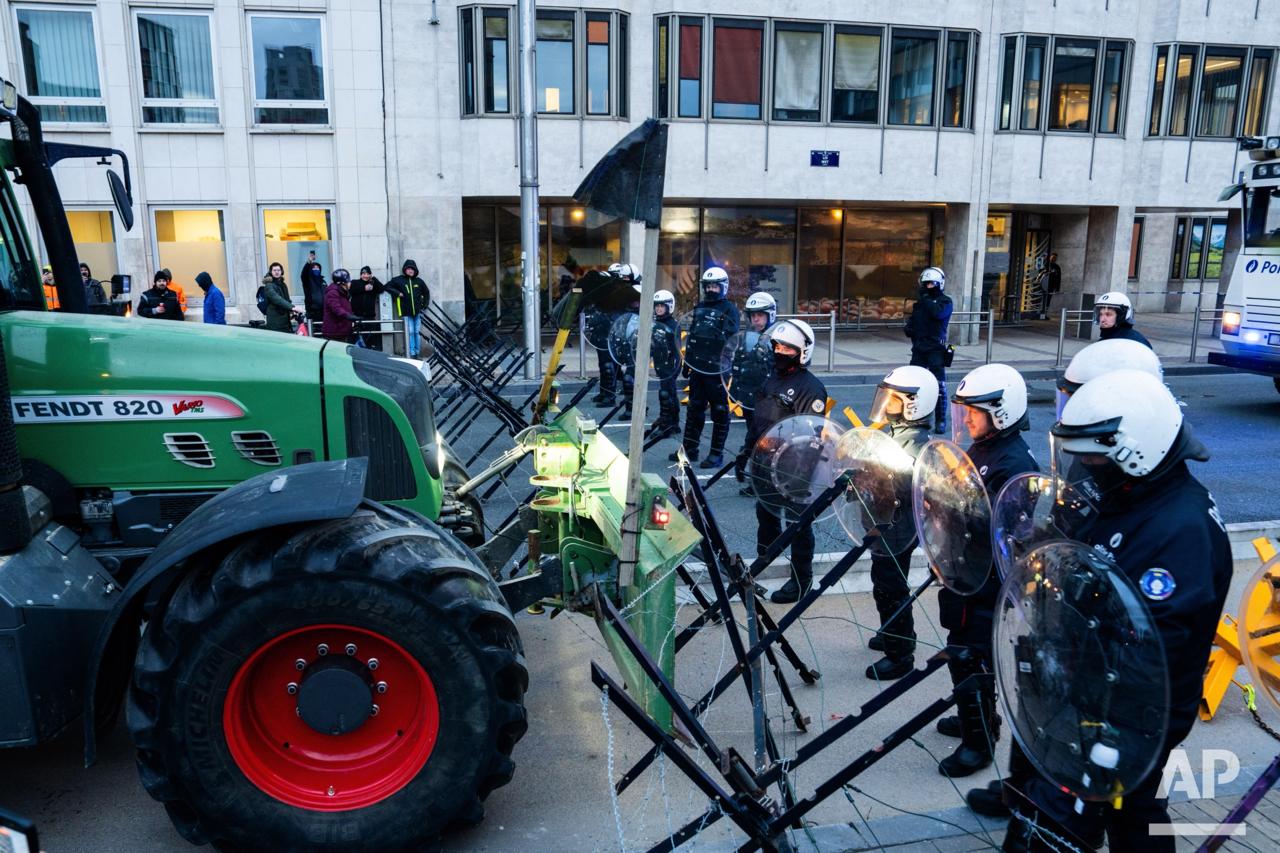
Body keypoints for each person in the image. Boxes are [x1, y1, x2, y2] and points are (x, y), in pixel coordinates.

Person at [1003, 370, 1231, 853]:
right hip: (1084, 689)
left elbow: (1151, 646)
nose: (1082, 466)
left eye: (1091, 456)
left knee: (1090, 816)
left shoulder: (1180, 529)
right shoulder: (1129, 494)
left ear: (1134, 450)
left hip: (1124, 712)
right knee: (1137, 811)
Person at [965, 336, 1165, 819]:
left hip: (1105, 653)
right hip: (1060, 612)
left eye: (1081, 397)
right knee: (1037, 702)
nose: (1072, 411)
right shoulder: (1094, 458)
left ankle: (1057, 809)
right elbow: (1068, 513)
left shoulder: (1159, 502)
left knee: (1123, 807)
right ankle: (1021, 785)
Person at [937, 363, 1038, 778]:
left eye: (974, 411)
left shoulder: (1014, 463)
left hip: (987, 579)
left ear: (1002, 410)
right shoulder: (983, 449)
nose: (968, 418)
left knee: (973, 656)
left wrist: (950, 506)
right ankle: (971, 713)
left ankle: (979, 741)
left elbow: (999, 523)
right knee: (959, 648)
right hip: (964, 569)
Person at [862, 366, 936, 680]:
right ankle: (892, 631)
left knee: (891, 588)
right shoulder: (896, 433)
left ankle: (900, 654)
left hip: (899, 528)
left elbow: (909, 488)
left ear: (913, 403)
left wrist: (875, 475)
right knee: (885, 583)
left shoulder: (917, 444)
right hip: (885, 524)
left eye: (893, 397)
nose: (886, 402)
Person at [750, 320, 828, 605]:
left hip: (795, 466)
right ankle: (765, 560)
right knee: (766, 514)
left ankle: (801, 580)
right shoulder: (771, 378)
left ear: (802, 352)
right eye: (777, 346)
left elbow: (811, 435)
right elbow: (757, 420)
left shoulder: (811, 388)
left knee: (799, 526)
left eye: (787, 348)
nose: (780, 352)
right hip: (765, 462)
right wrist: (749, 453)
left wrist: (798, 474)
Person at [675, 267, 740, 468]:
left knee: (720, 410)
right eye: (708, 286)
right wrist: (687, 363)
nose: (711, 289)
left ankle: (716, 454)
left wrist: (715, 337)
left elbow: (730, 338)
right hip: (698, 367)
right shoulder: (700, 307)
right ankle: (689, 449)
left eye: (715, 286)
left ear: (723, 287)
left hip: (718, 369)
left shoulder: (730, 310)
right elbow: (693, 336)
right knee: (695, 409)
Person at [732, 292, 779, 494]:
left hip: (770, 403)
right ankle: (756, 478)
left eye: (760, 315)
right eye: (752, 316)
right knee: (753, 437)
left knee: (766, 442)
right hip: (751, 400)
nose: (756, 319)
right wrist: (736, 389)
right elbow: (740, 364)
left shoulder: (780, 337)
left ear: (770, 314)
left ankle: (764, 483)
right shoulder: (750, 338)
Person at [904, 267, 953, 434]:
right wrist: (910, 328)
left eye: (932, 284)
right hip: (919, 348)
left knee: (939, 386)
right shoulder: (920, 304)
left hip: (936, 349)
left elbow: (938, 314)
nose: (928, 287)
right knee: (914, 385)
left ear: (939, 284)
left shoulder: (945, 302)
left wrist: (925, 300)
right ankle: (917, 416)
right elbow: (913, 321)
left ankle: (941, 420)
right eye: (925, 284)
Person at [648, 288, 682, 439]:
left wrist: (675, 366)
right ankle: (673, 422)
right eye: (657, 306)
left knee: (666, 393)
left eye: (662, 306)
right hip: (660, 363)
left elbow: (676, 349)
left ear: (669, 307)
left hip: (670, 364)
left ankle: (667, 424)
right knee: (670, 393)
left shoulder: (673, 325)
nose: (659, 309)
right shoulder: (655, 324)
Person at [387, 259, 429, 358]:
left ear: (415, 271)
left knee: (416, 332)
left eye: (412, 269)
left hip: (417, 313)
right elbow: (387, 286)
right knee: (409, 332)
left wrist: (425, 305)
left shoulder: (419, 281)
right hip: (406, 312)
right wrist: (398, 293)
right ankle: (412, 353)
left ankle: (417, 353)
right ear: (405, 270)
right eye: (408, 269)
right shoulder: (399, 280)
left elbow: (426, 292)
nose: (410, 271)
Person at [322, 269, 359, 342]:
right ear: (342, 283)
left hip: (342, 331)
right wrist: (349, 316)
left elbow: (345, 308)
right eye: (348, 281)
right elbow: (336, 309)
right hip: (334, 333)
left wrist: (352, 322)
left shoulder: (343, 292)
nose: (350, 283)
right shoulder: (333, 293)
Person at [352, 266, 384, 350]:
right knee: (357, 338)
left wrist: (373, 278)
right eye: (363, 274)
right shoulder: (355, 282)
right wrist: (364, 288)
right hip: (356, 316)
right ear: (360, 275)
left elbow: (381, 289)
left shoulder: (372, 283)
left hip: (370, 317)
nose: (365, 276)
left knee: (370, 339)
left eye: (367, 274)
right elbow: (351, 290)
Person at [260, 262, 297, 333]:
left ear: (282, 271)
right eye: (274, 270)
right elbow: (277, 299)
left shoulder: (283, 284)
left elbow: (287, 299)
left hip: (285, 319)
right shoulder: (269, 286)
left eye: (278, 270)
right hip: (275, 320)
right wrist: (292, 307)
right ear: (271, 272)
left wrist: (292, 310)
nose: (277, 272)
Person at [299, 257, 326, 323]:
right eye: (314, 268)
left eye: (317, 268)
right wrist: (308, 262)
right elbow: (303, 274)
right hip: (312, 312)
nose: (316, 269)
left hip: (324, 311)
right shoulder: (307, 280)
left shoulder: (323, 281)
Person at [1038, 252, 1061, 319]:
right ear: (1050, 257)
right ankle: (1038, 312)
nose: (1054, 259)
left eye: (1055, 258)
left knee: (1048, 300)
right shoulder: (1045, 265)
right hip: (1042, 285)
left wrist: (1057, 289)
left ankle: (1044, 313)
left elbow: (1058, 278)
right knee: (1041, 298)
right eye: (1053, 257)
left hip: (1051, 286)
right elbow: (1038, 272)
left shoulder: (1057, 267)